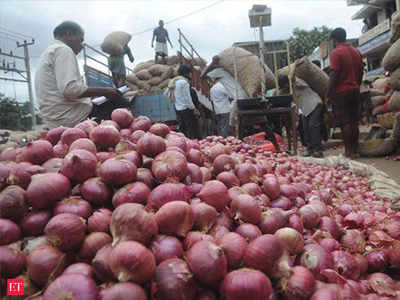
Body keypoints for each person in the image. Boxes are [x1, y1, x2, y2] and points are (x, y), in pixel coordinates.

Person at [35, 21, 127, 129]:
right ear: (69, 34)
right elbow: (70, 90)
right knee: (121, 104)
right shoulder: (63, 50)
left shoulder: (48, 53)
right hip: (72, 117)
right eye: (80, 40)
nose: (82, 45)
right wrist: (106, 91)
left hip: (55, 120)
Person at [326, 27, 364, 158]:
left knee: (345, 123)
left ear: (335, 40)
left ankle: (348, 152)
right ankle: (356, 150)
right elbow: (361, 72)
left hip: (342, 92)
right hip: (355, 89)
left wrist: (329, 93)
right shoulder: (356, 51)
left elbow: (334, 75)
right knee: (354, 122)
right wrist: (356, 85)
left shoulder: (336, 53)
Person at [281, 64, 324, 157]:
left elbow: (291, 77)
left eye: (284, 86)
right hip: (306, 109)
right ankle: (309, 149)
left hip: (314, 104)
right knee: (305, 128)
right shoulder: (290, 89)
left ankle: (317, 150)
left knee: (313, 126)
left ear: (287, 83)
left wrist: (294, 65)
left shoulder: (297, 82)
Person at [167, 65, 200, 139]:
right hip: (186, 109)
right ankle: (192, 143)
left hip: (177, 109)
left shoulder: (174, 82)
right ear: (187, 73)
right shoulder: (184, 82)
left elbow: (168, 94)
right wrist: (194, 108)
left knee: (182, 128)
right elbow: (187, 98)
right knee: (191, 129)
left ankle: (184, 143)